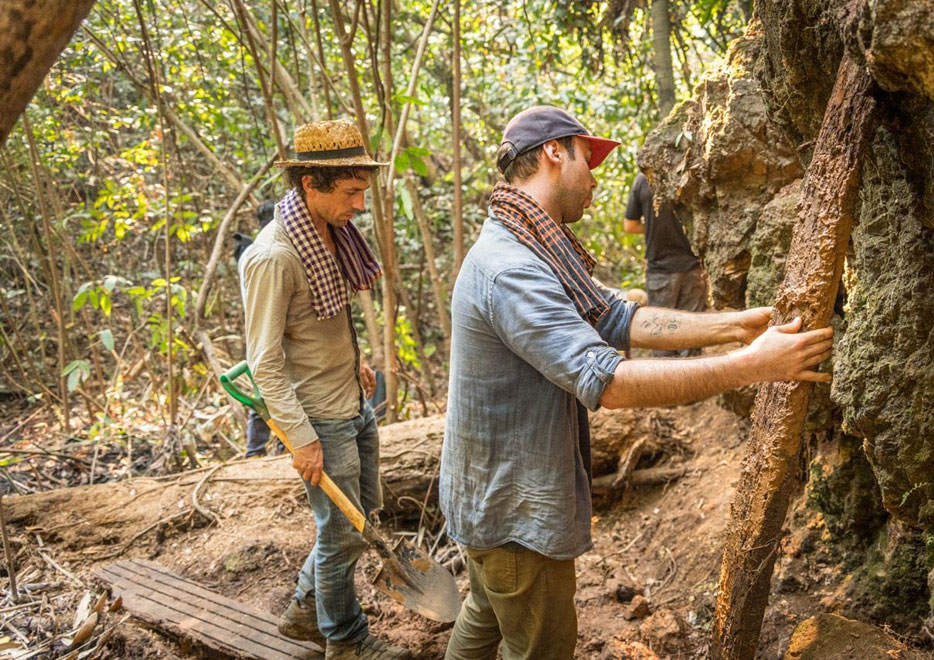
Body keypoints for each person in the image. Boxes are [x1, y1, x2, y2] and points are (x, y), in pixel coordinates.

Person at [439, 105, 833, 660]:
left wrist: (735, 327)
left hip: (489, 503)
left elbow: (617, 317)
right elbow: (609, 382)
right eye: (588, 159)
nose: (595, 179)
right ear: (554, 153)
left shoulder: (530, 243)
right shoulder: (513, 268)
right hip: (513, 518)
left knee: (483, 619)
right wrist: (754, 366)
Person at [238, 119, 408, 660]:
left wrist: (355, 365)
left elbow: (318, 323)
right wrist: (300, 437)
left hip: (351, 402)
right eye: (351, 192)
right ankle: (345, 640)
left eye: (363, 190)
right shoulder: (274, 256)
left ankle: (305, 610)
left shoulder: (328, 232)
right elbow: (263, 361)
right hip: (318, 419)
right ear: (311, 184)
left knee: (359, 517)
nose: (361, 204)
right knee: (340, 534)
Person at [624, 171, 707, 357]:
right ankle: (692, 376)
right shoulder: (691, 172)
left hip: (660, 269)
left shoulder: (643, 179)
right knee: (693, 336)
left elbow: (630, 225)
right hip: (692, 265)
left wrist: (652, 227)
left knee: (661, 337)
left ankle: (667, 376)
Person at [233, 201, 278, 458]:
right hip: (267, 326)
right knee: (272, 385)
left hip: (256, 326)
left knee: (265, 385)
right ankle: (261, 449)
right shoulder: (264, 251)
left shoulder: (250, 252)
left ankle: (257, 449)